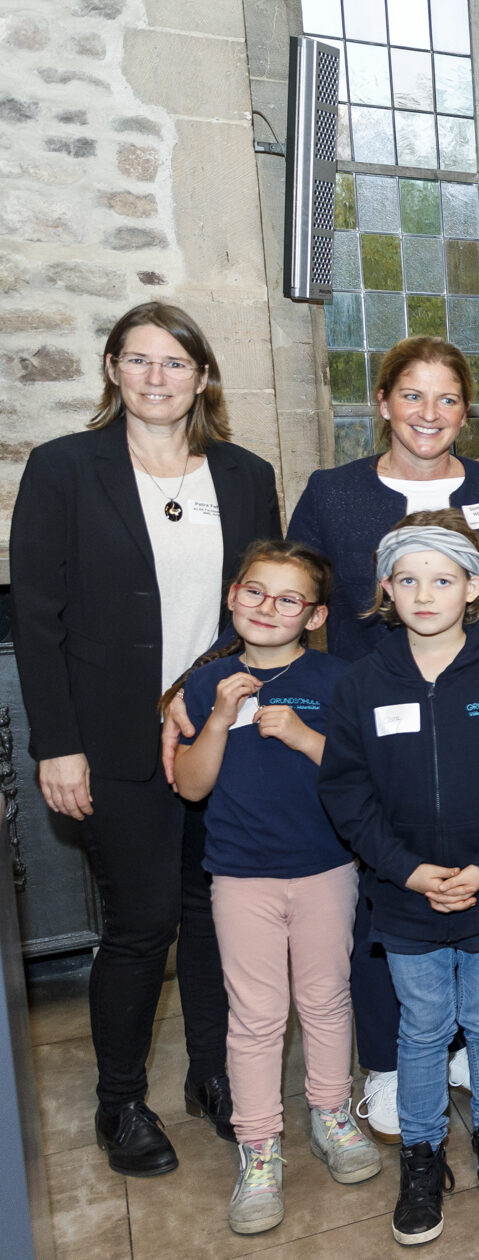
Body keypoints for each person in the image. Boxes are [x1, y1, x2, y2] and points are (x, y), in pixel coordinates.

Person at [12, 301, 280, 1175]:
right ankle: (119, 1102)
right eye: (140, 360)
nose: (157, 378)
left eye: (175, 363)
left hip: (217, 732)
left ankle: (213, 1077)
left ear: (202, 377)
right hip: (110, 741)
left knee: (215, 917)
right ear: (113, 369)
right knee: (141, 923)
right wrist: (58, 745)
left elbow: (262, 610)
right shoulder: (63, 470)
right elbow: (39, 621)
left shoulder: (245, 476)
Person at [278, 336, 479, 1142]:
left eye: (448, 398)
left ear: (466, 410)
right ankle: (387, 1063)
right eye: (412, 396)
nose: (430, 413)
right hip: (377, 726)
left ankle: (459, 1043)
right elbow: (291, 599)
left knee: (476, 887)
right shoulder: (335, 493)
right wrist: (213, 682)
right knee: (387, 901)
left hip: (478, 722)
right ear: (383, 402)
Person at [318, 513, 479, 1246]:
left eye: (443, 579)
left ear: (475, 587)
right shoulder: (362, 683)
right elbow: (345, 790)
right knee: (423, 1027)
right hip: (405, 892)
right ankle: (422, 1157)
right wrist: (410, 871)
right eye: (409, 579)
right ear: (386, 588)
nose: (426, 594)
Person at [171, 541, 380, 1233]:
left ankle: (331, 1116)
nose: (269, 608)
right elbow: (192, 786)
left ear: (314, 615)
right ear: (233, 596)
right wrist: (218, 719)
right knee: (256, 1016)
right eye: (256, 593)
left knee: (325, 999)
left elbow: (362, 770)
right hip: (239, 876)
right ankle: (259, 1148)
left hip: (326, 869)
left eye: (288, 599)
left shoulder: (338, 679)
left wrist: (302, 736)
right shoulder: (205, 684)